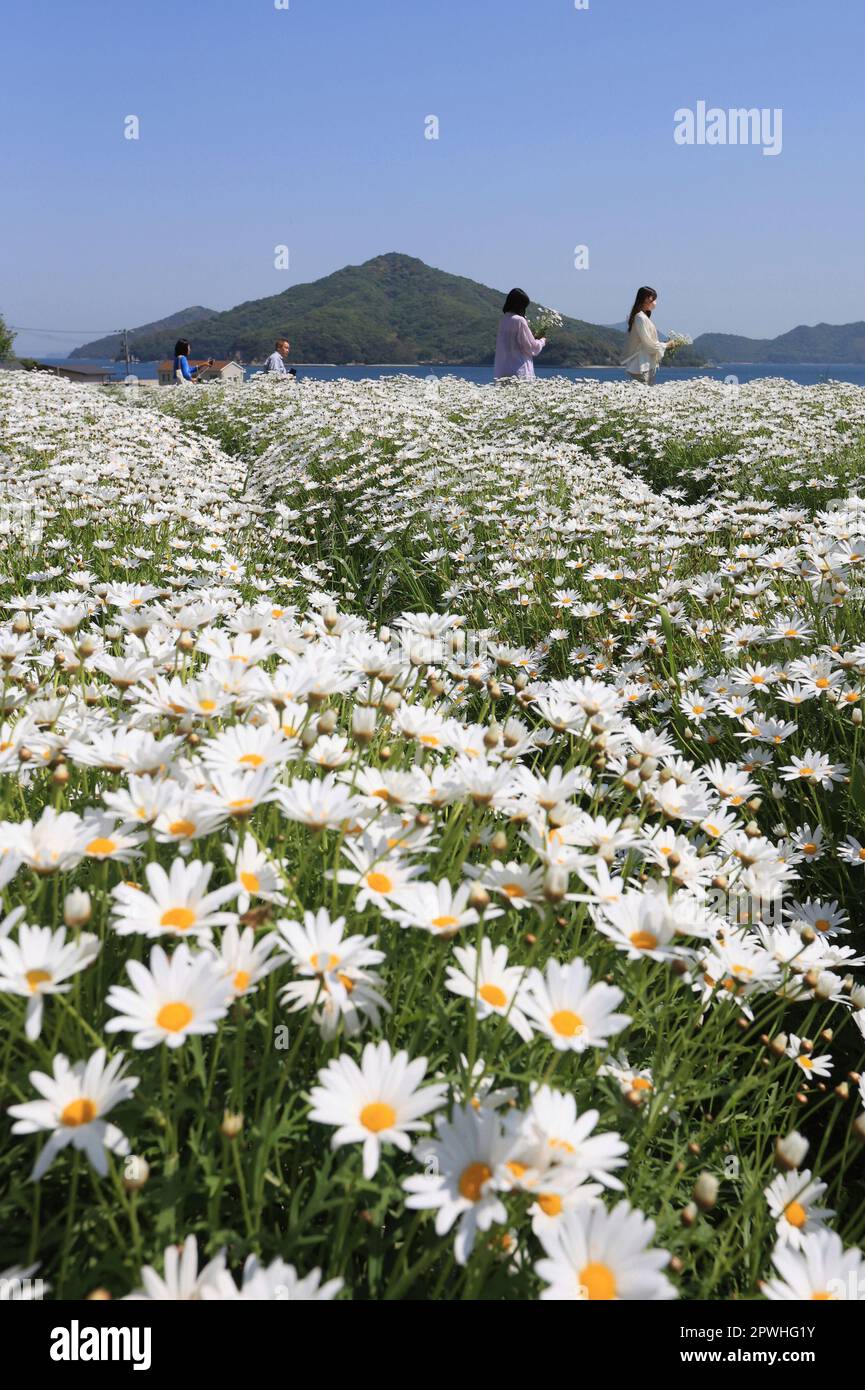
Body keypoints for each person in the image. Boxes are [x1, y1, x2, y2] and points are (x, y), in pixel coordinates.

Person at [493, 289, 545, 380]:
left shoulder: (504, 319)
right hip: (519, 372)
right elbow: (531, 347)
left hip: (502, 371)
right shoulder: (519, 320)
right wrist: (542, 341)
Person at [622, 287, 670, 384]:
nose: (655, 302)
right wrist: (667, 345)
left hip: (646, 365)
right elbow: (649, 345)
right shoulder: (640, 317)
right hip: (641, 366)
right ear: (646, 299)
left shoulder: (643, 317)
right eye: (653, 298)